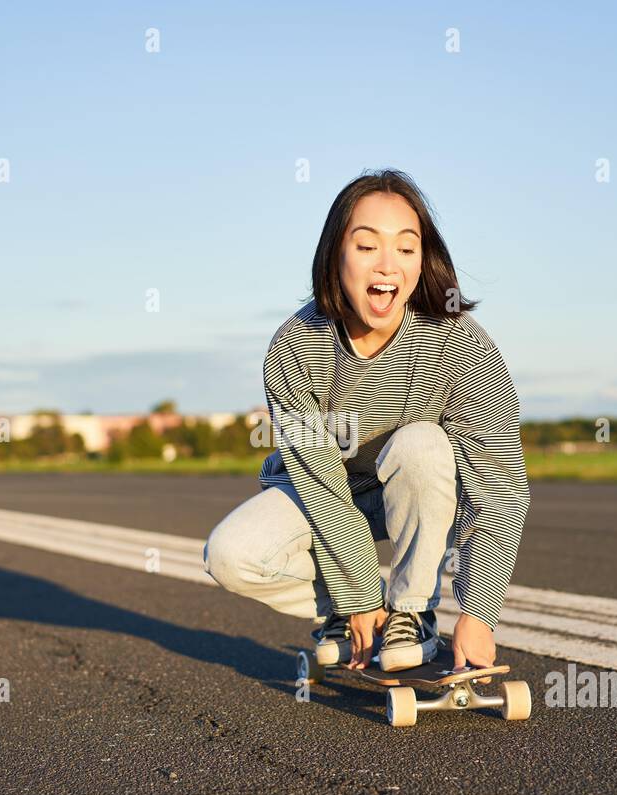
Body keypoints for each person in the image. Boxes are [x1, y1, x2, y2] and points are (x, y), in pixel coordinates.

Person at [203, 168, 530, 673]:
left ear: (424, 261)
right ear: (335, 255)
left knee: (422, 444)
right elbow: (319, 480)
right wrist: (355, 591)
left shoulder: (459, 342)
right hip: (325, 494)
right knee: (230, 554)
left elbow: (500, 483)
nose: (388, 265)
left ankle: (410, 612)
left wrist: (478, 612)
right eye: (366, 246)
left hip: (414, 492)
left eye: (406, 248)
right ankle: (351, 605)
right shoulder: (294, 345)